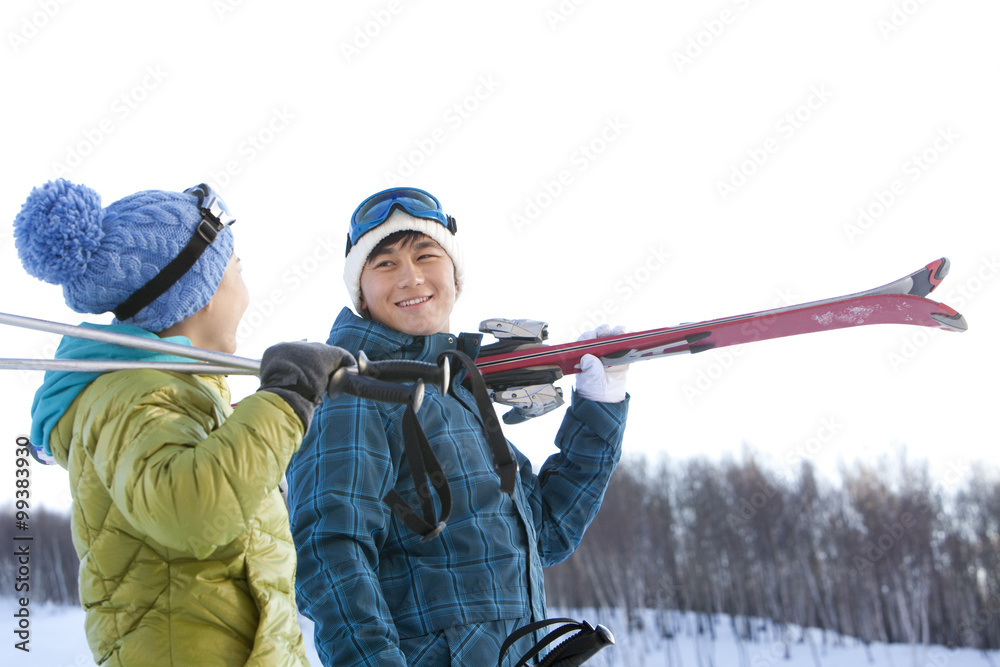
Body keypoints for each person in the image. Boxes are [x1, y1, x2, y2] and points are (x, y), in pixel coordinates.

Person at [13, 178, 356, 667]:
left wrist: (257, 429)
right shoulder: (131, 394)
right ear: (202, 291)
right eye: (237, 268)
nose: (247, 290)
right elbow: (191, 510)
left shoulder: (171, 392)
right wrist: (286, 399)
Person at [286, 187, 630, 666]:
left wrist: (600, 406)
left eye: (426, 255)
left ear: (455, 276)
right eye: (384, 264)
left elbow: (547, 534)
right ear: (361, 295)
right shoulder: (356, 392)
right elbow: (328, 551)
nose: (410, 277)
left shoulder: (458, 396)